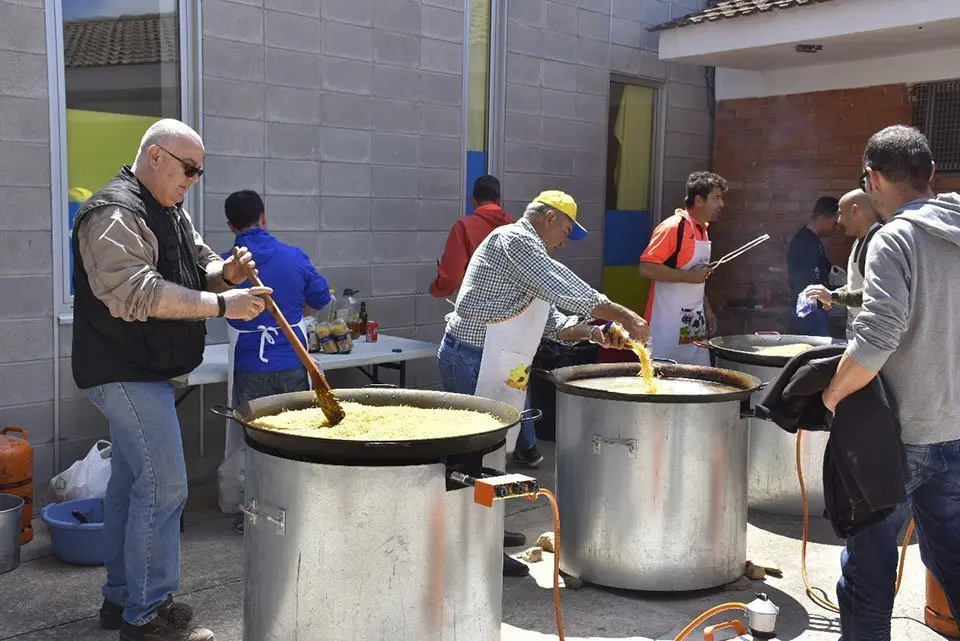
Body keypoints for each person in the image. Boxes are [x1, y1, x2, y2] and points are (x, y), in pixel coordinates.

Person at [73, 119, 270, 641]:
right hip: (123, 372)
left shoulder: (168, 210)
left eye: (199, 171)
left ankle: (121, 603)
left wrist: (224, 272)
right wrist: (223, 302)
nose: (194, 180)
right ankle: (149, 616)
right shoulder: (114, 214)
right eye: (189, 168)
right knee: (165, 487)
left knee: (130, 486)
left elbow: (196, 265)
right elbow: (138, 293)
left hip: (145, 371)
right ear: (156, 156)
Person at [438, 189, 649, 577]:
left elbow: (554, 325)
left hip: (498, 362)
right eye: (566, 231)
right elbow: (570, 289)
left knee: (492, 454)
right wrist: (627, 316)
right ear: (548, 218)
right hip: (471, 358)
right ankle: (473, 549)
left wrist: (597, 332)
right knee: (470, 457)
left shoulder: (531, 260)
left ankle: (488, 531)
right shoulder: (515, 241)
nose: (564, 242)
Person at [823, 125, 960, 640]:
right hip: (956, 432)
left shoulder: (895, 238)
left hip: (896, 442)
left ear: (874, 179)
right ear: (929, 174)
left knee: (869, 573)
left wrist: (833, 393)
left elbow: (877, 337)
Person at [220, 189, 332, 534]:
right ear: (264, 216)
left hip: (250, 363)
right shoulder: (293, 256)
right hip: (293, 360)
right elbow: (321, 298)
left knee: (254, 441)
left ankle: (250, 513)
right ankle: (295, 507)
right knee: (293, 438)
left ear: (230, 225)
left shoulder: (226, 266)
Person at [637, 171, 726, 365]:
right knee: (663, 386)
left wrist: (707, 308)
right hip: (664, 327)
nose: (722, 205)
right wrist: (689, 277)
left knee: (699, 383)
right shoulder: (673, 227)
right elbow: (645, 268)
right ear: (699, 200)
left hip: (693, 327)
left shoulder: (703, 230)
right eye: (716, 198)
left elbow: (697, 276)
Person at [802, 189, 881, 340]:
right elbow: (855, 285)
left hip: (872, 337)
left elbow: (873, 293)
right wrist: (829, 295)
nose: (839, 221)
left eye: (841, 214)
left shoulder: (878, 243)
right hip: (857, 331)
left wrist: (834, 296)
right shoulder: (859, 242)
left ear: (855, 210)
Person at [430, 174, 514, 297]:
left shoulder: (464, 227)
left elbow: (452, 276)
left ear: (472, 201)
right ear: (499, 201)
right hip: (511, 306)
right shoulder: (514, 227)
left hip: (476, 304)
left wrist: (437, 288)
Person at [787, 196, 840, 336]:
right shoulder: (803, 242)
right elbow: (805, 281)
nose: (836, 227)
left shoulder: (814, 240)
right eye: (835, 222)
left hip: (816, 310)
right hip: (808, 311)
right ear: (824, 216)